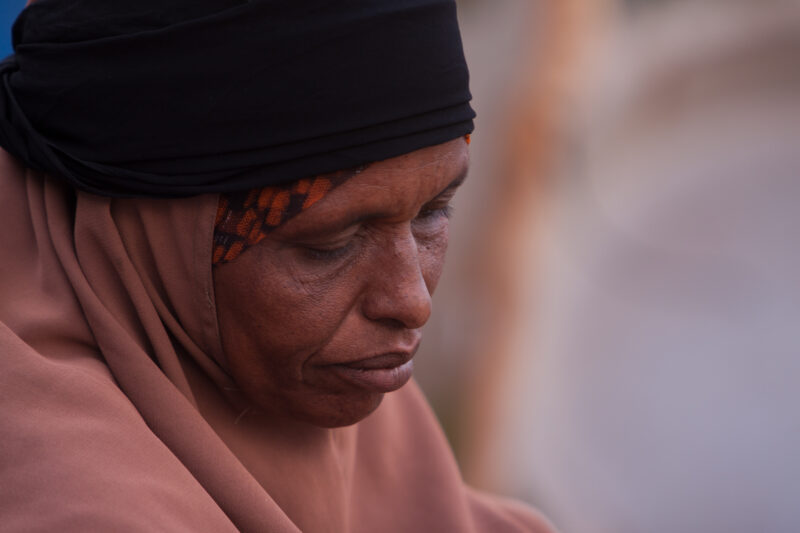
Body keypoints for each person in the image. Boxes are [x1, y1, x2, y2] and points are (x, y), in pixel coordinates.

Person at [0, 1, 555, 531]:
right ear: (153, 236)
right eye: (331, 245)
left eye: (433, 212)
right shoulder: (70, 509)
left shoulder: (354, 426)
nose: (412, 301)